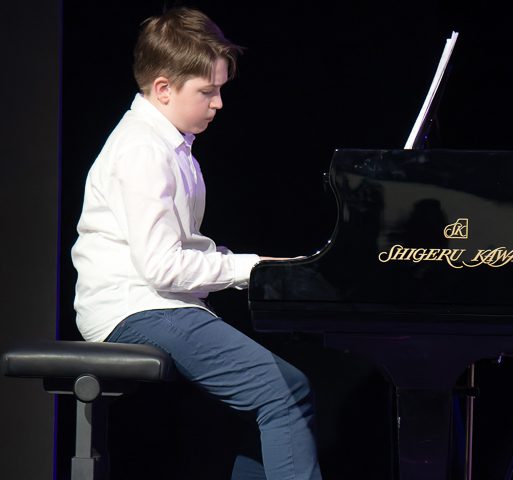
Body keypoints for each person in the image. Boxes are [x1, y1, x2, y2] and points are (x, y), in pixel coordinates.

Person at [71, 7, 322, 480]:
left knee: (283, 390)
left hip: (159, 305)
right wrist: (248, 269)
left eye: (220, 89)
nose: (219, 103)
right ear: (164, 88)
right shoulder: (143, 149)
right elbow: (162, 267)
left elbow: (180, 251)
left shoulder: (170, 145)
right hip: (136, 308)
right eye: (208, 91)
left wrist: (263, 266)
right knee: (283, 394)